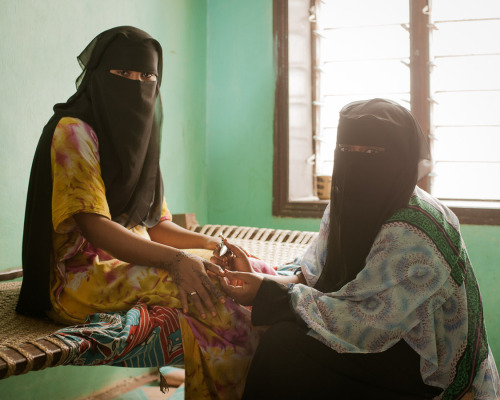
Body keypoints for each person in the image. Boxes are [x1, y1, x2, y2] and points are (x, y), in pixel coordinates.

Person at [17, 26, 262, 399]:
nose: (136, 84)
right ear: (98, 76)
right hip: (79, 280)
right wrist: (178, 261)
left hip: (128, 263)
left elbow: (157, 226)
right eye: (122, 74)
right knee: (216, 295)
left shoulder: (140, 138)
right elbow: (96, 228)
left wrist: (213, 245)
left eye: (147, 76)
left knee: (249, 273)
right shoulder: (74, 131)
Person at [217, 99, 500, 399]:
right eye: (345, 151)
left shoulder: (417, 230)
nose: (354, 163)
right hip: (372, 336)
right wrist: (263, 281)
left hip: (424, 365)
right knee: (271, 336)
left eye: (370, 154)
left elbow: (365, 320)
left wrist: (268, 295)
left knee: (283, 349)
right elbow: (317, 275)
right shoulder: (344, 205)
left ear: (401, 160)